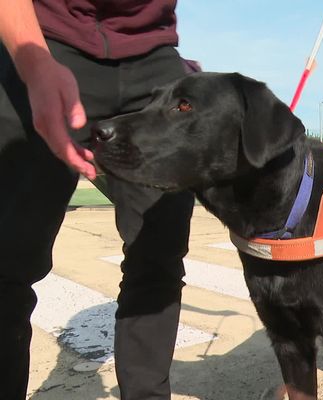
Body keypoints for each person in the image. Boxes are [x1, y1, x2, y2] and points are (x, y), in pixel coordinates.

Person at [0, 1, 198, 399]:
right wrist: (31, 59)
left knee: (158, 261)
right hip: (44, 38)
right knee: (6, 263)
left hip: (152, 53)